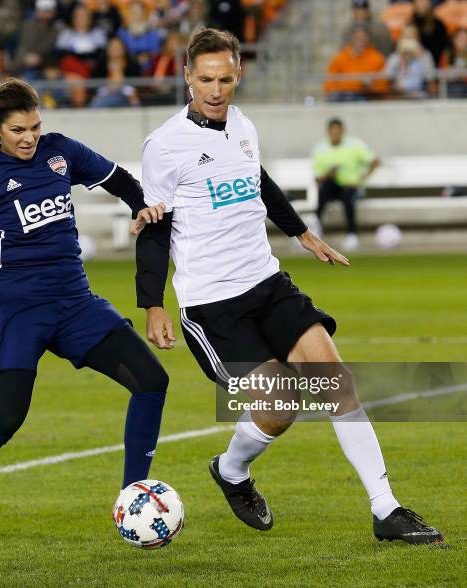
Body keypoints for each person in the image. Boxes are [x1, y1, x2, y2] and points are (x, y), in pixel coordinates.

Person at [133, 27, 443, 545]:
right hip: (213, 304)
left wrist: (302, 233)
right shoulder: (164, 146)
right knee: (281, 403)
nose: (215, 90)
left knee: (336, 381)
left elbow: (258, 181)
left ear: (239, 74)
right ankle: (231, 472)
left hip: (268, 282)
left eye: (225, 79)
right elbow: (154, 225)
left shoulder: (243, 125)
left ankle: (385, 510)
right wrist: (152, 305)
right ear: (187, 76)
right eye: (205, 79)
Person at [0, 78, 168, 556]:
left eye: (34, 126)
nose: (29, 137)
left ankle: (134, 498)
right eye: (17, 130)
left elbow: (119, 179)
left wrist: (142, 205)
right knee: (8, 416)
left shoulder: (61, 152)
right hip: (15, 307)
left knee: (151, 380)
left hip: (75, 302)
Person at [312, 117, 380, 251]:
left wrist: (360, 180)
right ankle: (315, 228)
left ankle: (352, 234)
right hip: (331, 187)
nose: (335, 134)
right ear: (328, 132)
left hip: (350, 187)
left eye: (338, 131)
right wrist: (329, 174)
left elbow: (374, 161)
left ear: (342, 131)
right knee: (324, 189)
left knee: (348, 196)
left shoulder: (354, 145)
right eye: (333, 131)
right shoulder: (320, 149)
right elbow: (318, 178)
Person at [325, 25, 387, 102]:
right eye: (357, 37)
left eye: (364, 37)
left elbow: (382, 86)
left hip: (364, 95)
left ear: (368, 39)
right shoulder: (340, 58)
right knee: (335, 97)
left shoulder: (377, 58)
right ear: (352, 38)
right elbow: (330, 82)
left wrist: (370, 86)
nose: (361, 40)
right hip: (341, 95)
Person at [385, 23, 436, 99]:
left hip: (420, 96)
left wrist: (420, 57)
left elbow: (431, 78)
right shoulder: (394, 57)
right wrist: (401, 58)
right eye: (406, 36)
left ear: (418, 39)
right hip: (398, 96)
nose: (408, 39)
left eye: (412, 36)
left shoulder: (425, 55)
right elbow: (386, 76)